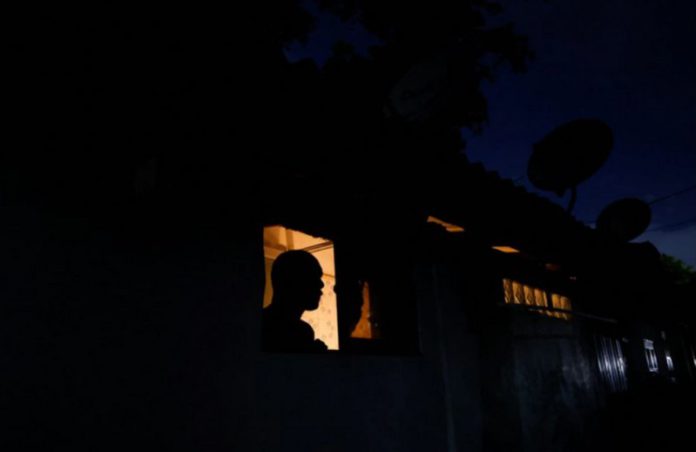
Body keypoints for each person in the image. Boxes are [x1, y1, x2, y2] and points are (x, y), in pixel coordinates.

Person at [262, 250, 328, 352]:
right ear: (289, 281)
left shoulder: (304, 331)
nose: (321, 284)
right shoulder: (261, 327)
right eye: (312, 276)